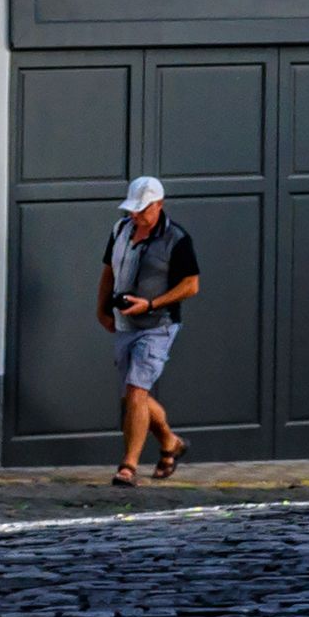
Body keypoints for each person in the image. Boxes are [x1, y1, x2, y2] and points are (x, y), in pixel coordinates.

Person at [100, 174, 198, 484]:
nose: (136, 216)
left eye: (142, 211)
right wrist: (101, 308)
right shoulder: (120, 230)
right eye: (132, 210)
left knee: (136, 390)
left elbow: (191, 285)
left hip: (158, 325)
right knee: (131, 398)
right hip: (125, 323)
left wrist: (152, 304)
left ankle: (128, 466)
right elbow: (107, 272)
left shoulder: (177, 239)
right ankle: (170, 442)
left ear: (159, 205)